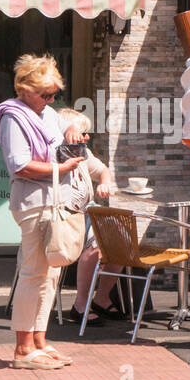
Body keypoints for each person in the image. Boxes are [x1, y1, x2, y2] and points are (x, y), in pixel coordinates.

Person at [0, 55, 83, 370]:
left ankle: (39, 340)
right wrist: (60, 167)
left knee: (49, 275)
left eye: (54, 94)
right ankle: (23, 349)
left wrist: (74, 130)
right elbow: (20, 165)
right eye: (45, 94)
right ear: (24, 89)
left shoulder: (48, 113)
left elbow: (71, 125)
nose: (50, 100)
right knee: (34, 274)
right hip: (33, 204)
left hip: (53, 201)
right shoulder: (13, 116)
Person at [54, 108, 125, 325]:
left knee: (121, 244)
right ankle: (80, 304)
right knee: (95, 247)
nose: (87, 137)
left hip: (87, 213)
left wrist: (104, 182)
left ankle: (102, 298)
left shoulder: (84, 152)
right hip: (63, 217)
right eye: (82, 133)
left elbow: (103, 170)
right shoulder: (53, 153)